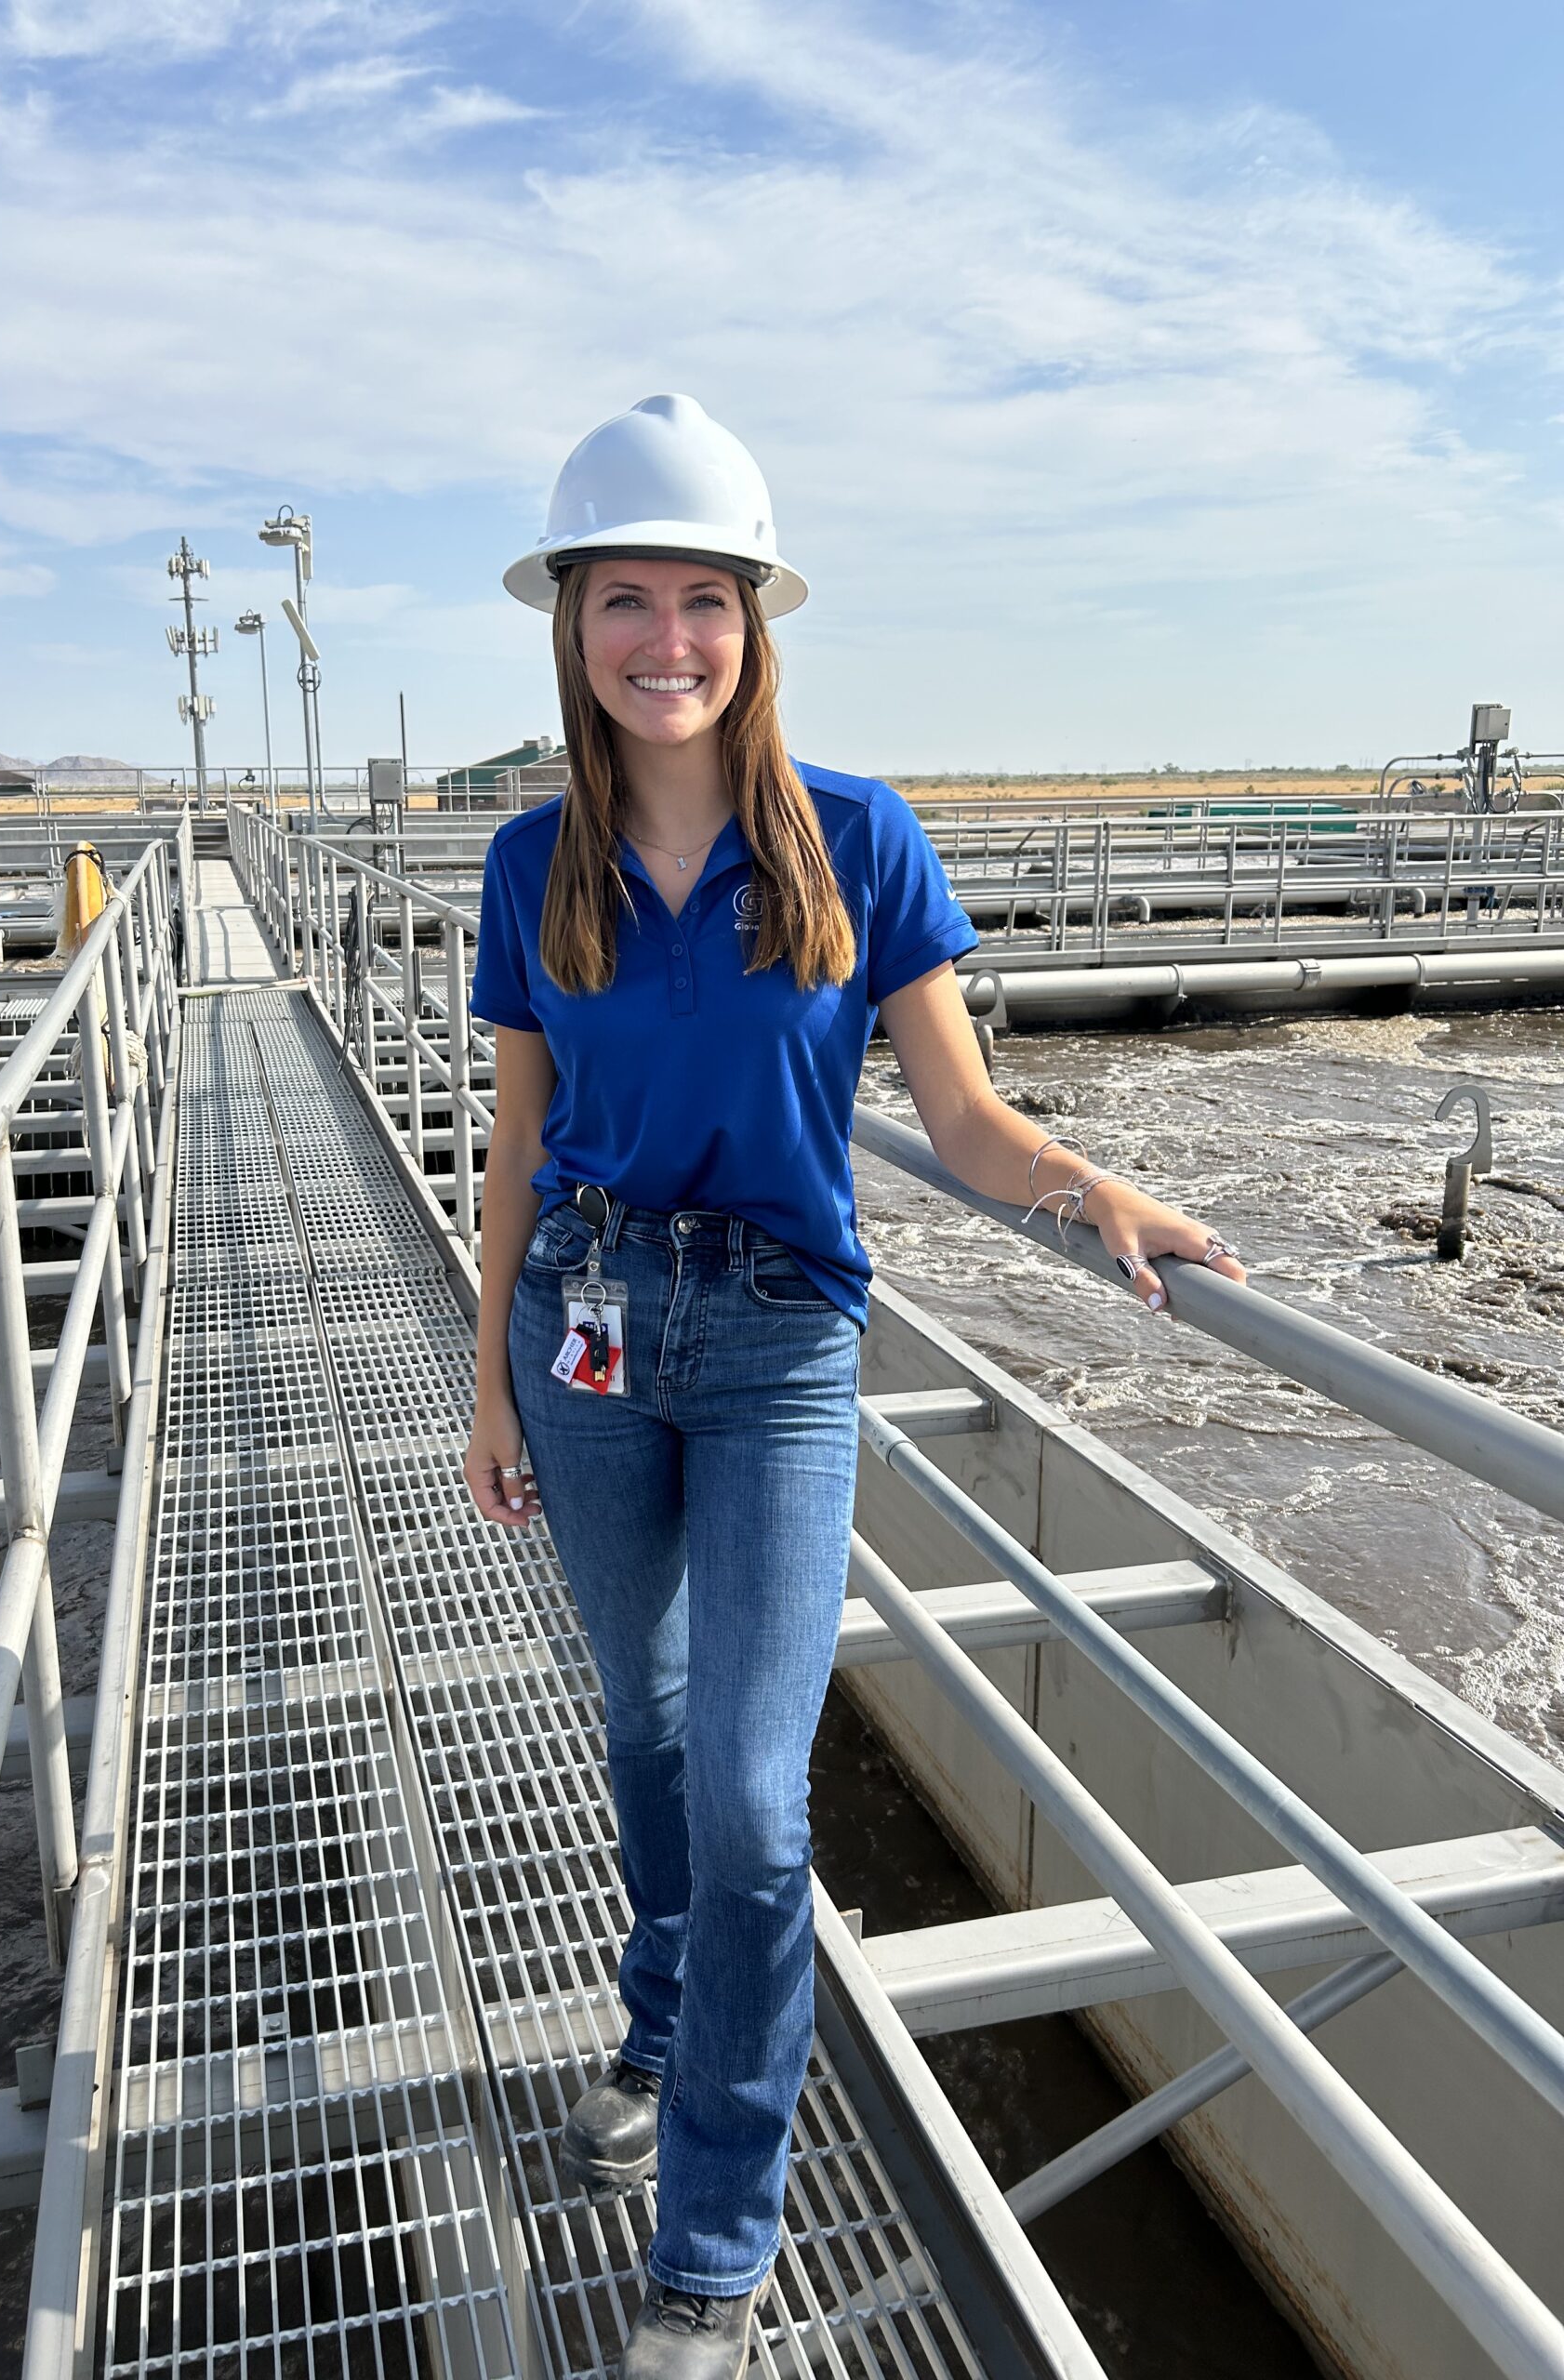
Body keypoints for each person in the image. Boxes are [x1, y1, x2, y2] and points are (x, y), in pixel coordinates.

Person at [463, 393, 1245, 2379]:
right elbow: (519, 1147)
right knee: (640, 1736)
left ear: (753, 618)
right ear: (571, 623)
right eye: (623, 597)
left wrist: (1091, 1189)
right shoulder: (530, 858)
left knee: (746, 1791)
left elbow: (961, 1113)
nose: (665, 637)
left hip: (782, 1348)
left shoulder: (858, 836)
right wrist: (488, 1377)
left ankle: (711, 2239)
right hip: (584, 1335)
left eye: (700, 598)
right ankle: (658, 2017)